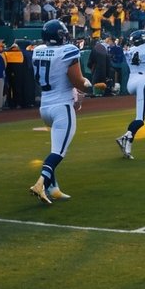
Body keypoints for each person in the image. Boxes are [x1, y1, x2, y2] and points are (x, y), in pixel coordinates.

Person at [28, 19, 92, 205]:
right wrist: (89, 85)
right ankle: (40, 183)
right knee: (58, 152)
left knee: (54, 148)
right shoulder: (68, 50)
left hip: (45, 106)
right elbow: (77, 81)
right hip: (61, 106)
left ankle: (52, 188)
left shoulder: (38, 51)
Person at [116, 28, 145, 159]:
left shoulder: (131, 50)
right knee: (140, 119)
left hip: (131, 82)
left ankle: (127, 144)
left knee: (139, 119)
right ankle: (125, 137)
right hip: (142, 80)